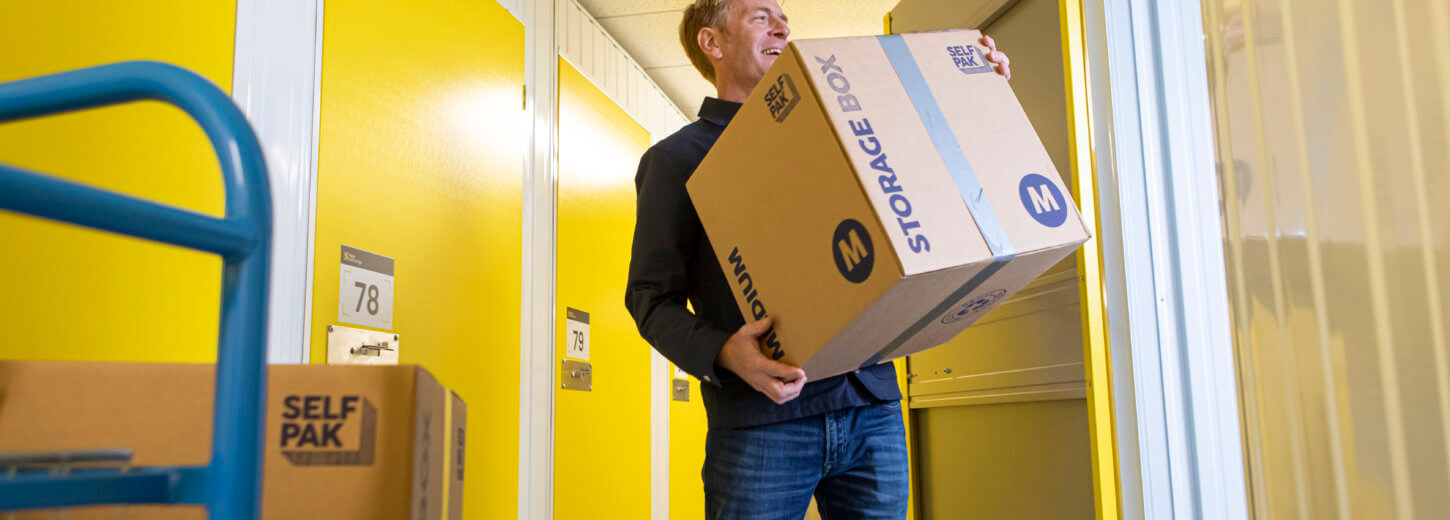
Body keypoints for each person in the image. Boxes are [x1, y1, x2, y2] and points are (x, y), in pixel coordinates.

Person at [624, 1, 1011, 517]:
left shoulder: (841, 127)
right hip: (762, 421)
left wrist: (971, 84)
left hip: (870, 406)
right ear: (712, 43)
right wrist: (723, 352)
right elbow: (650, 299)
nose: (783, 27)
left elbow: (926, 157)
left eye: (783, 17)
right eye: (761, 16)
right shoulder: (678, 161)